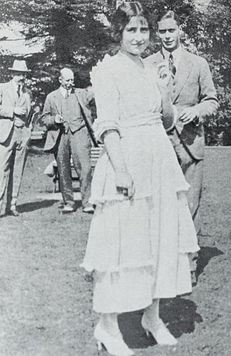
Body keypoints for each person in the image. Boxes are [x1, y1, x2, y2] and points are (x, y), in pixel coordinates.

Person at [81, 2, 199, 355]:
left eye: (143, 30)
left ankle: (152, 316)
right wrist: (121, 170)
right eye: (131, 30)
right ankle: (107, 327)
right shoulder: (107, 71)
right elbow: (108, 125)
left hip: (159, 161)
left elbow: (165, 121)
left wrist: (163, 91)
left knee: (158, 239)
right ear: (117, 33)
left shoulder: (152, 69)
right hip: (127, 160)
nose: (138, 36)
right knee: (121, 244)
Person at [145, 10, 218, 274]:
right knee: (158, 203)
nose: (167, 36)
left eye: (171, 30)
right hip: (158, 143)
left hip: (191, 144)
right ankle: (161, 265)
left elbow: (212, 100)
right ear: (157, 33)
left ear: (180, 31)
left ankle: (189, 265)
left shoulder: (198, 63)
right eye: (162, 31)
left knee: (190, 205)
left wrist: (197, 111)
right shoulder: (147, 64)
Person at [42, 68, 94, 214]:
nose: (71, 83)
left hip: (80, 133)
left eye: (72, 80)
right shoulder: (51, 97)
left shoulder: (81, 94)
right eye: (67, 80)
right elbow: (44, 118)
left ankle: (87, 202)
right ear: (60, 80)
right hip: (60, 135)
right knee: (63, 169)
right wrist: (54, 119)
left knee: (85, 168)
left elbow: (98, 93)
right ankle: (69, 202)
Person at [0, 59, 31, 217]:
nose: (21, 77)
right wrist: (13, 110)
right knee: (1, 169)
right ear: (12, 74)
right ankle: (0, 206)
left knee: (17, 170)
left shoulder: (27, 93)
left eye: (23, 74)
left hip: (22, 135)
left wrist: (28, 131)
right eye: (18, 74)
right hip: (6, 135)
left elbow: (29, 114)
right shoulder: (3, 88)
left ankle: (12, 204)